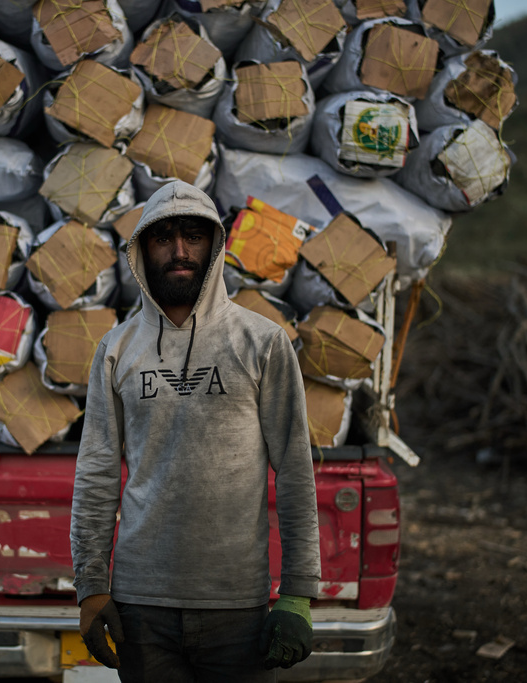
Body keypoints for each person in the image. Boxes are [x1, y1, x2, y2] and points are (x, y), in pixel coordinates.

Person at [69, 180, 321, 682]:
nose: (179, 251)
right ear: (142, 249)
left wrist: (297, 593)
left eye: (193, 236)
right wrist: (91, 588)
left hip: (238, 607)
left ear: (215, 245)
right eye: (163, 238)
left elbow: (294, 469)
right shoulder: (117, 350)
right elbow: (96, 473)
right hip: (141, 608)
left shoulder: (262, 342)